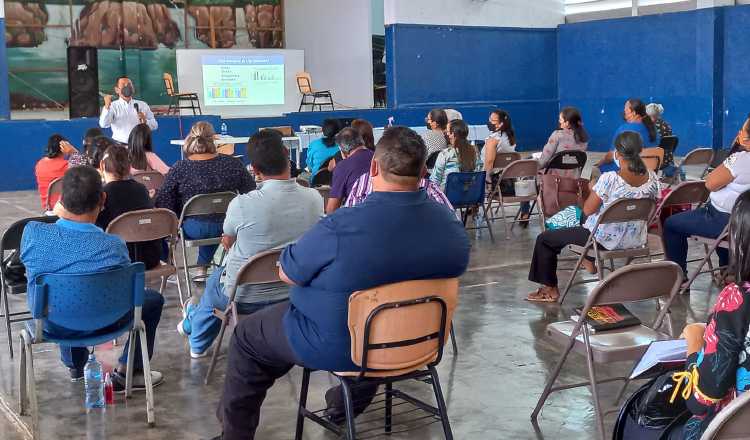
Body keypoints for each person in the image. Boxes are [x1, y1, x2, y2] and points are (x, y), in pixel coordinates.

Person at [209, 126, 471, 440]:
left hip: (337, 343)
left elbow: (288, 273)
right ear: (423, 170)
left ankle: (235, 436)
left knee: (247, 338)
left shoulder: (342, 224)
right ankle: (340, 407)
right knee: (377, 330)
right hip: (418, 342)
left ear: (374, 166)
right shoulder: (450, 227)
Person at [177, 130, 323, 358]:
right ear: (288, 156)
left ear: (254, 170)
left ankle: (195, 339)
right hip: (293, 290)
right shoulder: (314, 198)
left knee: (215, 281)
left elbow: (227, 240)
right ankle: (191, 320)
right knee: (218, 282)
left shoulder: (242, 204)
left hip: (244, 296)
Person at [20, 166, 165, 388]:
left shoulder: (33, 233)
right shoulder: (114, 245)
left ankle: (75, 366)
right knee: (152, 300)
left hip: (52, 323)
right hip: (109, 321)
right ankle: (129, 370)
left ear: (61, 199)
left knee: (63, 291)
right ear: (103, 199)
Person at [625, 190, 750, 439]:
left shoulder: (737, 301)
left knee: (637, 424)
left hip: (732, 429)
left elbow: (702, 399)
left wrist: (695, 344)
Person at [526, 132, 659, 302]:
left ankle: (549, 289)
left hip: (603, 240)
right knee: (579, 219)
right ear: (640, 150)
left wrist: (592, 188)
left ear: (617, 154)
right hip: (635, 238)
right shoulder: (652, 178)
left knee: (545, 239)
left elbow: (587, 210)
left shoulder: (609, 179)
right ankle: (587, 259)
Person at [155, 127, 255, 275]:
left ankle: (168, 265)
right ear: (214, 140)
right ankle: (203, 266)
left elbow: (164, 201)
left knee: (196, 220)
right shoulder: (233, 164)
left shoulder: (180, 168)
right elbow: (251, 192)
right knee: (214, 216)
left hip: (193, 229)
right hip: (229, 226)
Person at [662, 127, 750, 280]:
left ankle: (678, 278)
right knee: (723, 230)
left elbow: (710, 184)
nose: (738, 132)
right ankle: (728, 270)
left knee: (671, 224)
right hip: (742, 224)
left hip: (725, 220)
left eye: (742, 130)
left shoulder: (741, 159)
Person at [94, 145, 162, 270]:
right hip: (150, 258)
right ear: (129, 166)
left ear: (102, 165)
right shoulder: (142, 189)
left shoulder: (101, 195)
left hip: (117, 260)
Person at [597, 98, 660, 173]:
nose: (624, 110)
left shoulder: (624, 129)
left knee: (596, 170)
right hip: (646, 172)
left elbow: (611, 156)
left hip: (626, 173)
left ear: (633, 112)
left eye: (626, 109)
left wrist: (600, 163)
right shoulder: (652, 129)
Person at [326, 127, 374, 213]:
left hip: (356, 217)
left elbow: (331, 210)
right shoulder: (379, 158)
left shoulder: (343, 166)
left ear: (342, 150)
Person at [99, 76, 158, 144]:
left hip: (139, 146)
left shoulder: (143, 105)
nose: (127, 87)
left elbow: (155, 125)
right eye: (123, 85)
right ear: (117, 90)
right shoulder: (112, 106)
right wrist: (106, 107)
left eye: (129, 84)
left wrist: (145, 121)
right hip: (119, 147)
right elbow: (103, 124)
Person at [430, 119, 483, 191]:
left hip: (448, 197)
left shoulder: (445, 154)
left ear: (452, 134)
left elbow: (434, 181)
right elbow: (478, 174)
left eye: (447, 131)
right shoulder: (475, 152)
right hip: (471, 195)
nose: (446, 133)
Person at [537, 107, 589, 176]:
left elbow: (544, 160)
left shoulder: (557, 135)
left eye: (560, 119)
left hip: (554, 179)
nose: (559, 121)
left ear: (567, 123)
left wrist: (534, 166)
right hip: (574, 178)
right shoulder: (583, 138)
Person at [35, 134, 73, 211]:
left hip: (48, 208)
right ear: (63, 149)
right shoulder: (66, 166)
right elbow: (86, 168)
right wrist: (73, 152)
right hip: (66, 208)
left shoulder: (40, 164)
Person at [304, 118, 341, 183]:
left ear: (323, 130)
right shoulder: (342, 146)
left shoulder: (314, 144)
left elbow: (310, 166)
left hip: (316, 182)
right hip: (336, 182)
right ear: (338, 131)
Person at [483, 109, 517, 177]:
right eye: (489, 119)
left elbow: (489, 163)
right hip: (507, 174)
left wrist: (486, 181)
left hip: (493, 176)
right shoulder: (510, 137)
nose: (489, 122)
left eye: (492, 120)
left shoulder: (493, 140)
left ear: (501, 124)